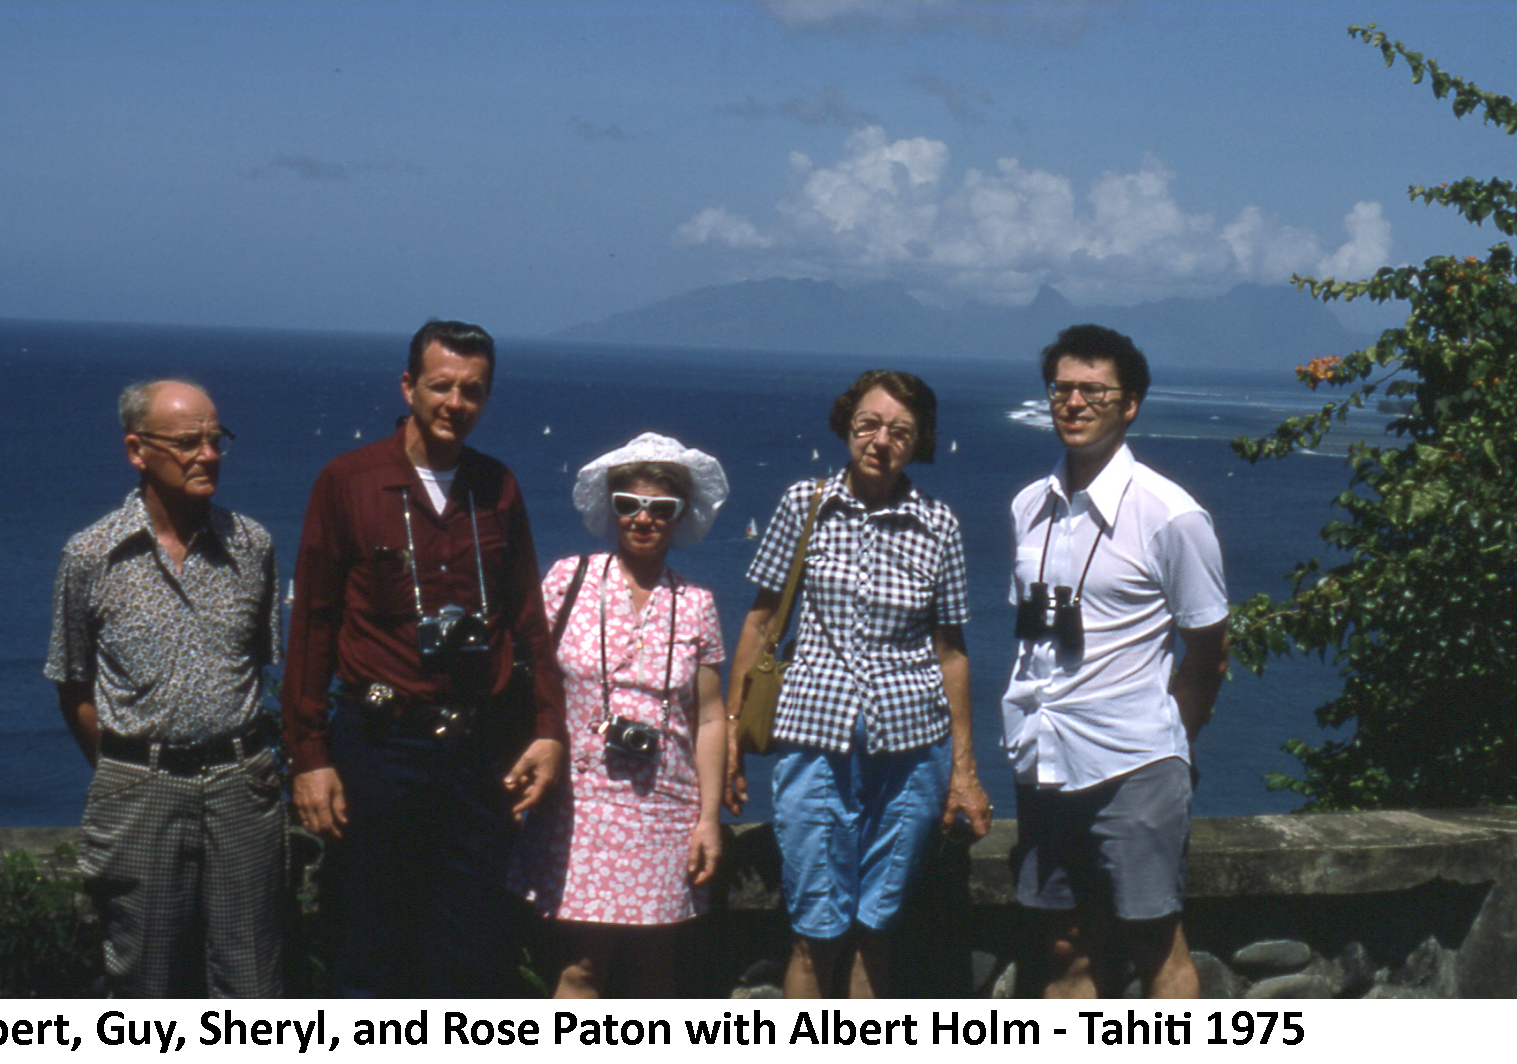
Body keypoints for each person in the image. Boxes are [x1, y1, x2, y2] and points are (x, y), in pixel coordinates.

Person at [283, 319, 568, 997]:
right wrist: (309, 756)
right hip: (380, 747)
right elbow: (313, 625)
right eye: (440, 386)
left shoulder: (496, 487)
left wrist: (549, 731)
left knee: (466, 953)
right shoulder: (348, 482)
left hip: (477, 753)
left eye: (472, 391)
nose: (454, 403)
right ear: (408, 386)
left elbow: (528, 621)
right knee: (369, 944)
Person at [724, 369, 992, 999]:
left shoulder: (939, 524)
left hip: (911, 751)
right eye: (868, 424)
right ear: (847, 425)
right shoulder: (804, 504)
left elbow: (951, 653)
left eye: (899, 430)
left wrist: (965, 769)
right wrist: (733, 731)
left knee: (878, 928)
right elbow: (763, 620)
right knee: (814, 930)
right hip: (813, 739)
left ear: (919, 440)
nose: (880, 440)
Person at [1001, 324, 1229, 999]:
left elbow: (1208, 649)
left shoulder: (1170, 515)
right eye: (1061, 389)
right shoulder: (1027, 506)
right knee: (1062, 947)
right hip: (1043, 761)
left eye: (1092, 391)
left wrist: (1166, 739)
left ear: (1129, 405)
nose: (1072, 403)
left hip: (1133, 764)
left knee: (1153, 943)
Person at [45, 380, 283, 998]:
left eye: (215, 439)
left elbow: (258, 665)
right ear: (137, 450)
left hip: (241, 786)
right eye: (186, 442)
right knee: (144, 981)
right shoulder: (92, 555)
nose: (207, 454)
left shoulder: (252, 545)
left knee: (253, 982)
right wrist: (129, 770)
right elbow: (73, 685)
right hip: (140, 790)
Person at [512, 433, 730, 998]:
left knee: (654, 974)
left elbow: (710, 719)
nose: (642, 519)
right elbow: (530, 677)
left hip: (665, 810)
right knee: (579, 968)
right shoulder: (568, 580)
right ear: (610, 509)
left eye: (661, 509)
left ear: (679, 517)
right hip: (578, 807)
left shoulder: (697, 604)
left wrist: (708, 820)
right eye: (628, 505)